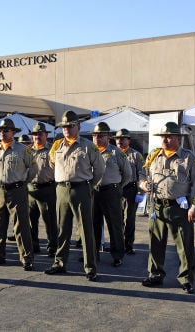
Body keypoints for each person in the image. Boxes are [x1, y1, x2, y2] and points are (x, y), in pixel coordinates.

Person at [139, 122, 195, 294]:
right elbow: (142, 174)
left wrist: (194, 206)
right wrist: (143, 183)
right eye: (163, 137)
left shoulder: (189, 158)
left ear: (178, 139)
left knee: (184, 245)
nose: (165, 140)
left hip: (180, 208)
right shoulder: (153, 156)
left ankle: (187, 279)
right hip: (157, 206)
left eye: (169, 136)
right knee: (156, 243)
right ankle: (155, 274)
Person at [45, 110, 105, 281]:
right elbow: (52, 164)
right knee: (62, 229)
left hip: (81, 189)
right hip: (62, 189)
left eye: (70, 126)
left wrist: (90, 185)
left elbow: (100, 168)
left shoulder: (88, 146)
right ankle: (60, 263)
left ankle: (90, 267)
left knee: (85, 230)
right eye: (64, 127)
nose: (67, 130)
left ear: (78, 127)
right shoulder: (57, 146)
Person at [0, 118, 37, 271]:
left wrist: (22, 182)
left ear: (13, 132)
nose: (2, 133)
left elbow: (33, 168)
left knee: (21, 225)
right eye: (0, 130)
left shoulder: (22, 149)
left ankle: (26, 258)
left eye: (6, 130)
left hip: (16, 190)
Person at [91, 122, 131, 267]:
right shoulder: (89, 151)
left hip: (111, 192)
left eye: (101, 136)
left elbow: (127, 174)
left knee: (114, 225)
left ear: (108, 137)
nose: (97, 139)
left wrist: (118, 187)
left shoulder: (116, 152)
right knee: (93, 224)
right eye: (95, 136)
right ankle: (92, 254)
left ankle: (117, 255)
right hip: (94, 191)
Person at [28, 122, 58, 257]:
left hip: (47, 189)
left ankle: (52, 246)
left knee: (49, 220)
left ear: (46, 135)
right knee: (30, 220)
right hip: (31, 189)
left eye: (40, 134)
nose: (37, 137)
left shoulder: (52, 150)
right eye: (35, 135)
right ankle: (33, 245)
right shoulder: (27, 151)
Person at [114, 128, 145, 255]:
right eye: (117, 139)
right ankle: (118, 244)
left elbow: (142, 173)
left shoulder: (136, 155)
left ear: (129, 140)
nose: (120, 141)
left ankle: (129, 244)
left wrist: (140, 192)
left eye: (123, 139)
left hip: (131, 190)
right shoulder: (112, 153)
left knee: (130, 219)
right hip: (116, 190)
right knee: (117, 219)